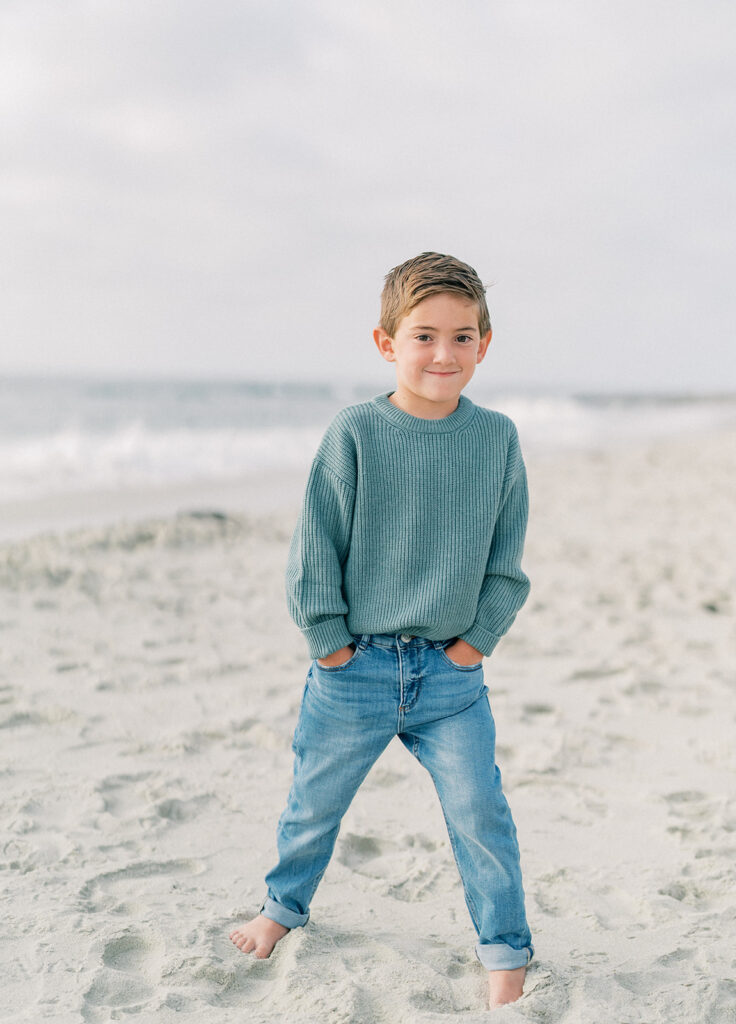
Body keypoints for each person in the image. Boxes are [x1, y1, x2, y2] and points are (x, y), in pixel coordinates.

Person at [230, 252, 533, 1009]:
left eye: (463, 337)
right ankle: (280, 911)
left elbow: (507, 561)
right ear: (385, 343)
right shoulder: (356, 431)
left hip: (451, 679)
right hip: (355, 667)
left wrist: (475, 643)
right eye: (424, 335)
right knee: (313, 801)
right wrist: (329, 641)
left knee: (480, 812)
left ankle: (504, 949)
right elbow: (315, 547)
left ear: (484, 346)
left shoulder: (496, 438)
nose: (443, 354)